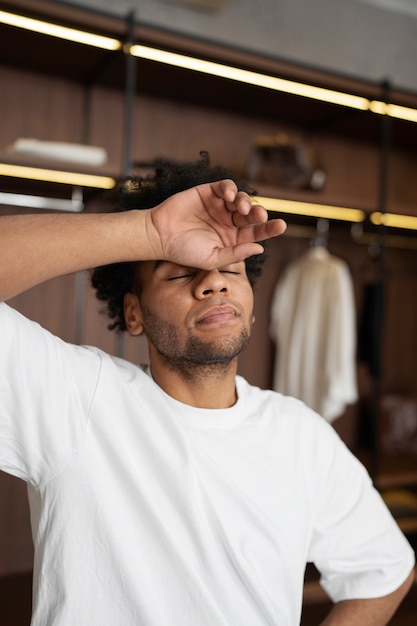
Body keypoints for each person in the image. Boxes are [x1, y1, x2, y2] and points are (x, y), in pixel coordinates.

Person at [0, 153, 415, 626]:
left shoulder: (301, 434)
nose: (214, 282)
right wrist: (150, 232)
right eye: (180, 271)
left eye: (232, 271)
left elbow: (385, 571)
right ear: (132, 314)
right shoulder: (75, 399)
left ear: (252, 306)